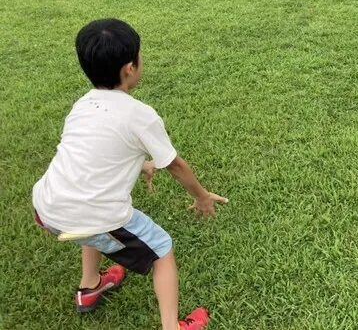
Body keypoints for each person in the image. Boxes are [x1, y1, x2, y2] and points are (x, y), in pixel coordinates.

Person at [32, 19, 228, 330]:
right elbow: (175, 165)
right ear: (130, 68)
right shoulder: (141, 115)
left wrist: (140, 164)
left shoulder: (82, 105)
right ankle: (172, 327)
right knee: (162, 249)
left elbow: (95, 154)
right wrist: (201, 197)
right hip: (87, 216)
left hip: (45, 209)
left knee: (92, 226)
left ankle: (90, 286)